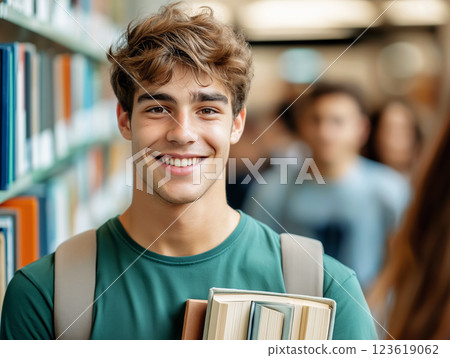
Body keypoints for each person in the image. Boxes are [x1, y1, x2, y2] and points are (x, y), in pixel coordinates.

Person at [1, 4, 376, 339]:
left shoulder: (327, 290)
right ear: (124, 120)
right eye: (157, 108)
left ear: (237, 124)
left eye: (208, 110)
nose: (182, 133)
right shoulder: (44, 297)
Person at [244, 83, 410, 289]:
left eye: (337, 121)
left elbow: (405, 260)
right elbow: (255, 260)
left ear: (362, 128)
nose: (325, 132)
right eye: (316, 120)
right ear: (301, 126)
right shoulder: (272, 190)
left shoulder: (390, 190)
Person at [369, 117, 450, 339]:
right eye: (388, 130)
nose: (393, 139)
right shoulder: (421, 202)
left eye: (402, 130)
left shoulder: (397, 190)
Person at [364, 100, 423, 180]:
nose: (397, 137)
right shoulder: (362, 180)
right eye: (390, 130)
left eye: (404, 129)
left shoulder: (425, 180)